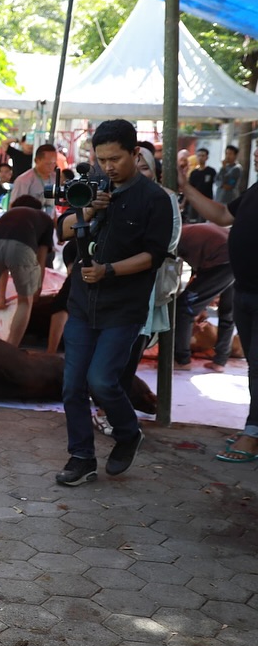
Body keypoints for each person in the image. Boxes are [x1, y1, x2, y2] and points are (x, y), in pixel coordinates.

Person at [54, 120, 174, 486]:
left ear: (135, 154)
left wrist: (109, 271)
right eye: (101, 159)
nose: (108, 167)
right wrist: (88, 210)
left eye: (115, 159)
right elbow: (61, 232)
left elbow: (153, 257)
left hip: (123, 307)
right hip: (81, 304)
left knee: (103, 380)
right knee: (72, 385)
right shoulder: (89, 187)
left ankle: (128, 431)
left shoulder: (155, 200)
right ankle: (82, 457)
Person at [180, 145, 258, 462]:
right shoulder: (254, 190)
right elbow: (223, 215)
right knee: (254, 364)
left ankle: (252, 433)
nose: (256, 155)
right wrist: (185, 186)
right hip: (246, 290)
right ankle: (252, 428)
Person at [0, 195, 54, 346]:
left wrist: (1, 296)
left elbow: (3, 265)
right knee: (25, 301)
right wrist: (37, 288)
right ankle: (11, 347)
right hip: (22, 247)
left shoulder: (7, 216)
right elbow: (41, 259)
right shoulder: (44, 219)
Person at [172, 223, 235, 372]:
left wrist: (197, 304)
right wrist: (201, 303)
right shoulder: (189, 231)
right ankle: (220, 361)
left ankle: (182, 360)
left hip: (223, 261)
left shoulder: (174, 237)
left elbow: (173, 274)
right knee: (228, 312)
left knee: (183, 308)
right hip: (237, 257)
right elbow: (198, 277)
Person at [9, 142, 59, 208]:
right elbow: (14, 207)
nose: (52, 166)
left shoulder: (55, 178)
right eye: (48, 164)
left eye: (54, 163)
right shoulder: (23, 180)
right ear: (37, 161)